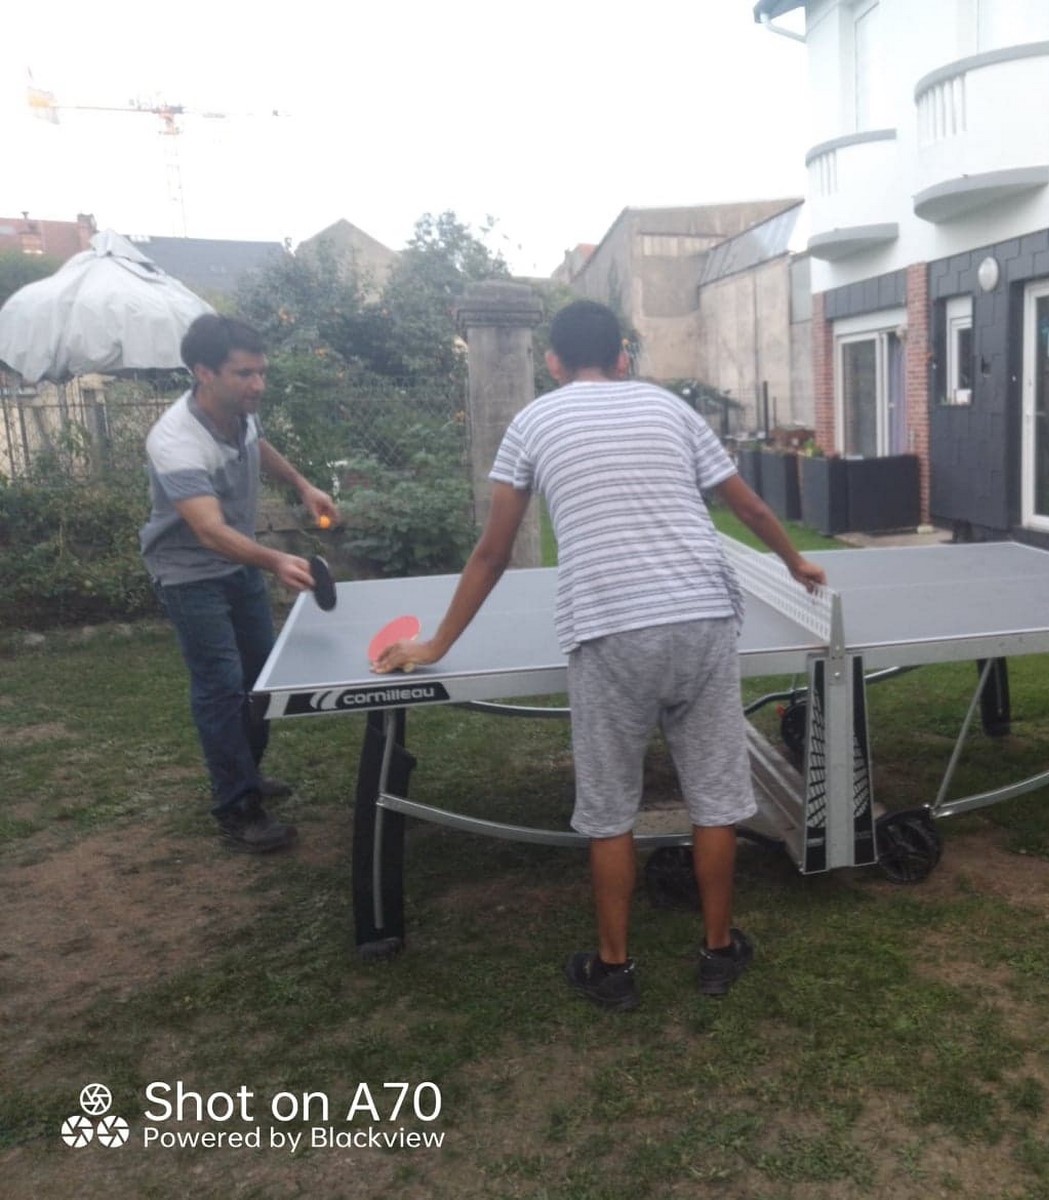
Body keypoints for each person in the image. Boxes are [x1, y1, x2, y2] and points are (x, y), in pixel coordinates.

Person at [374, 299, 827, 1011]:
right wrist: (795, 562)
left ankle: (615, 970)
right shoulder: (670, 410)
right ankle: (716, 952)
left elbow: (493, 553)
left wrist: (436, 643)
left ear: (551, 364)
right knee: (714, 799)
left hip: (610, 628)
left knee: (611, 809)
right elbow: (751, 508)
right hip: (703, 617)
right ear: (623, 358)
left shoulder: (532, 421)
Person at [141, 315, 338, 852]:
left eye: (261, 372)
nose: (258, 385)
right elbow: (207, 531)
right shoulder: (175, 440)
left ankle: (246, 771)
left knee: (259, 679)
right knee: (222, 687)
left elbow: (259, 445)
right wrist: (275, 560)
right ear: (203, 372)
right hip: (190, 576)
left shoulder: (241, 412)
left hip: (238, 568)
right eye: (244, 374)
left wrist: (302, 484)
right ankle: (237, 807)